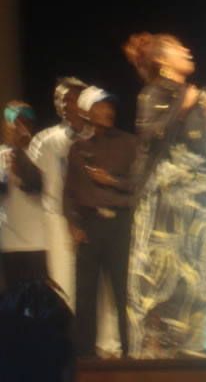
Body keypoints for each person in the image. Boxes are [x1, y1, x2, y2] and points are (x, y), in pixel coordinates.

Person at [124, 32, 206, 358]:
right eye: (179, 48)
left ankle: (190, 355)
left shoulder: (194, 95)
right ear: (162, 60)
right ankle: (153, 359)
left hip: (197, 202)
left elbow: (198, 145)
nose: (188, 50)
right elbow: (149, 134)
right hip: (165, 200)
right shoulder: (154, 92)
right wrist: (182, 106)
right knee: (160, 278)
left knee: (196, 279)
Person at [63, 86, 136, 357]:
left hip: (121, 226)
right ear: (87, 112)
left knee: (125, 293)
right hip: (90, 226)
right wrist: (73, 224)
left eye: (110, 105)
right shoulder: (78, 149)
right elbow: (69, 192)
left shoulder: (130, 143)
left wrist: (113, 180)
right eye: (100, 106)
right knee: (85, 294)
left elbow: (142, 183)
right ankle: (85, 357)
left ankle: (131, 353)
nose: (108, 111)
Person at [26, 77, 87, 309]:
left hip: (90, 218)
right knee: (63, 283)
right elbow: (31, 182)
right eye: (58, 99)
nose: (62, 104)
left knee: (97, 284)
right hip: (57, 220)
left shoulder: (96, 135)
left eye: (68, 98)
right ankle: (67, 328)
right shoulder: (45, 139)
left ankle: (104, 333)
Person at [0, 101, 47, 290]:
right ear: (6, 126)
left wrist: (20, 154)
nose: (20, 127)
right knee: (14, 299)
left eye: (25, 122)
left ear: (32, 126)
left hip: (38, 241)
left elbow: (36, 187)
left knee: (39, 298)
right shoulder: (0, 155)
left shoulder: (41, 153)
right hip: (9, 241)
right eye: (15, 122)